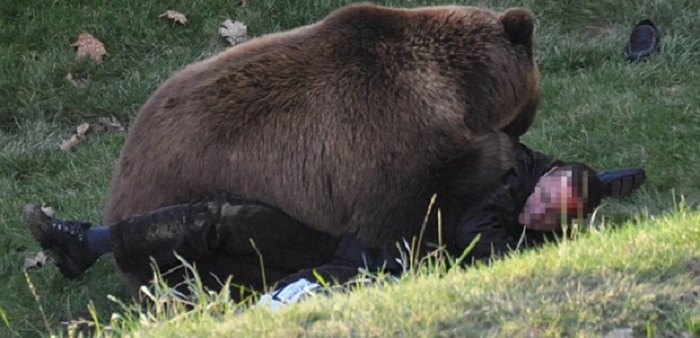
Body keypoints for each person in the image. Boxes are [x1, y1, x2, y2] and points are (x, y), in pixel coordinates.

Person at [21, 143, 645, 307]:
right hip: (347, 227)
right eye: (547, 196)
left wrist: (549, 221)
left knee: (288, 304)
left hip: (375, 270)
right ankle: (90, 243)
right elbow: (591, 181)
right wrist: (614, 182)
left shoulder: (516, 243)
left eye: (552, 216)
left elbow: (475, 240)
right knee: (226, 218)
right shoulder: (521, 167)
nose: (540, 208)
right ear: (551, 172)